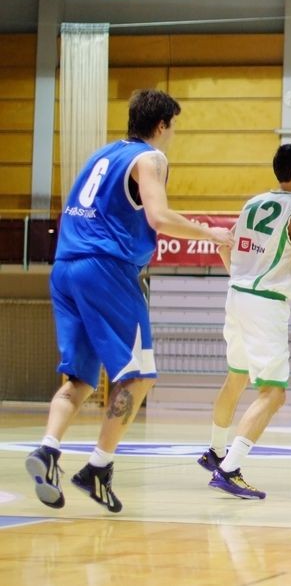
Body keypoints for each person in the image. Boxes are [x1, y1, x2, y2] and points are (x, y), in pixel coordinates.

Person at [25, 89, 234, 513]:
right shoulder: (150, 158)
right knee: (138, 377)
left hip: (65, 267)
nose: (173, 136)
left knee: (80, 379)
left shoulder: (102, 155)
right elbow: (159, 217)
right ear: (161, 125)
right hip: (105, 269)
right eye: (173, 127)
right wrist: (211, 233)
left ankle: (48, 449)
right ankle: (97, 468)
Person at [197, 142, 291, 500]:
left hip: (237, 294)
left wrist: (243, 280)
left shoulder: (253, 203)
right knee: (273, 392)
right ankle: (229, 469)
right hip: (265, 303)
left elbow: (225, 247)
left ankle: (215, 450)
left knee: (236, 377)